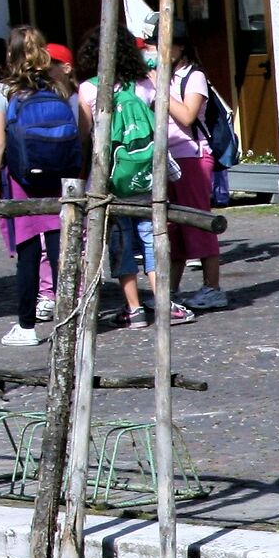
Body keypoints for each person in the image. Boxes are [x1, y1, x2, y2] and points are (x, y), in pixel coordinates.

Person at [76, 25, 190, 330]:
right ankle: (164, 303)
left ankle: (134, 309)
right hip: (146, 177)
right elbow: (158, 127)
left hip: (109, 180)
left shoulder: (88, 89)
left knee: (120, 244)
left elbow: (83, 137)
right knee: (152, 240)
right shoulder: (144, 85)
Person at [0, 27, 67, 346]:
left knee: (28, 250)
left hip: (21, 176)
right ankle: (69, 321)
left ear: (11, 54)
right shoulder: (59, 85)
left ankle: (26, 326)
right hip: (57, 173)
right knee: (58, 247)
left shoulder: (3, 90)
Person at [160, 21, 229, 310]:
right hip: (167, 157)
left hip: (192, 154)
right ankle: (171, 289)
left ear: (180, 47)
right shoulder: (169, 76)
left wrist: (162, 92)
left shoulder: (194, 77)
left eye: (164, 44)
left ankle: (212, 287)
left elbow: (187, 116)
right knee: (172, 225)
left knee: (198, 221)